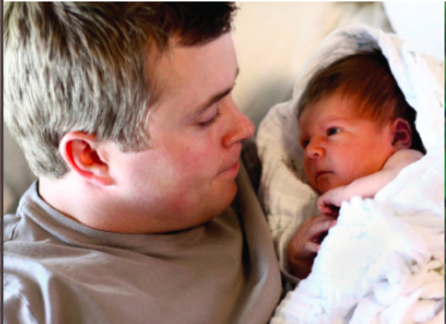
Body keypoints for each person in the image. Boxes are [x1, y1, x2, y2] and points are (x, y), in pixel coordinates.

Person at [3, 3, 282, 324]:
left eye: (229, 92)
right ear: (90, 157)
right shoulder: (26, 302)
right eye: (207, 117)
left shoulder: (268, 163)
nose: (245, 127)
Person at [286, 51, 426, 279]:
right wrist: (297, 257)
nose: (311, 151)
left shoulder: (405, 162)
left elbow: (406, 176)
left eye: (332, 131)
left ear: (398, 136)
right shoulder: (332, 212)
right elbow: (323, 286)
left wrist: (347, 193)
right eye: (306, 141)